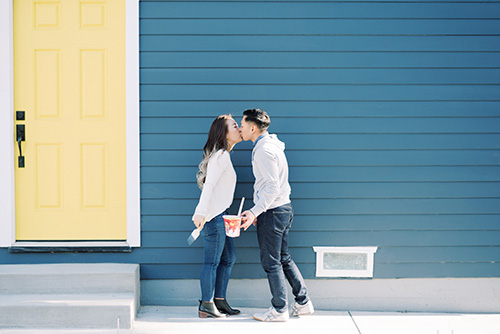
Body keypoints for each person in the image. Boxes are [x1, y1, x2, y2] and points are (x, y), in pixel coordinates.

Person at [240, 108, 314, 322]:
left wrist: (255, 211)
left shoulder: (263, 150)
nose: (241, 129)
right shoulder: (271, 145)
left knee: (271, 262)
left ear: (253, 127)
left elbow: (272, 187)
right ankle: (303, 302)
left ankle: (279, 309)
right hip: (282, 209)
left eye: (243, 125)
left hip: (273, 212)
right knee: (283, 258)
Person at [192, 114, 242, 318]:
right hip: (213, 217)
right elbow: (209, 185)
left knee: (229, 258)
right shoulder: (220, 156)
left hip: (223, 213)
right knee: (212, 262)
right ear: (224, 133)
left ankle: (219, 300)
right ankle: (206, 303)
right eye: (234, 125)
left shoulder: (224, 155)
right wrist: (201, 211)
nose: (239, 128)